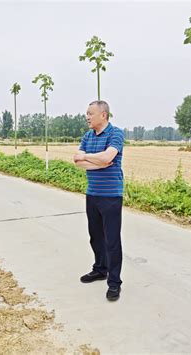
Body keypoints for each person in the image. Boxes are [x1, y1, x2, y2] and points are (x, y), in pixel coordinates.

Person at [73, 100, 125, 301]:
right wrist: (99, 162)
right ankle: (100, 269)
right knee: (95, 236)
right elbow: (78, 162)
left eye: (90, 113)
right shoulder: (87, 136)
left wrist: (89, 158)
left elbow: (108, 157)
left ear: (103, 115)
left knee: (112, 240)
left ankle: (114, 282)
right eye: (86, 113)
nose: (87, 117)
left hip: (111, 195)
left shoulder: (115, 133)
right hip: (92, 193)